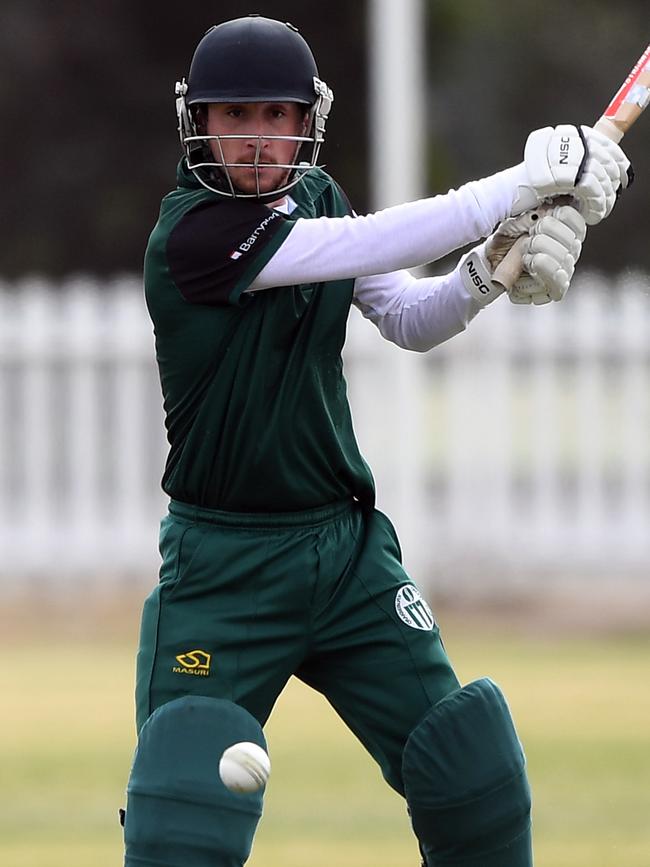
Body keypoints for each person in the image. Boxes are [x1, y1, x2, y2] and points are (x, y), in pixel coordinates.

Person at [122, 15, 631, 867]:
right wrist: (518, 183)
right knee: (184, 812)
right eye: (234, 116)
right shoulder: (192, 236)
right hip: (225, 565)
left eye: (276, 115)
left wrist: (487, 272)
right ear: (198, 123)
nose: (256, 138)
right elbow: (362, 245)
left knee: (472, 772)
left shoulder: (318, 197)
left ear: (306, 121)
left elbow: (407, 314)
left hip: (345, 551)